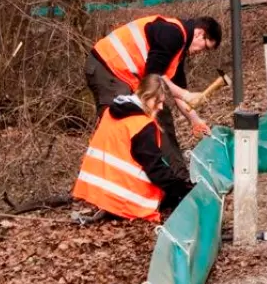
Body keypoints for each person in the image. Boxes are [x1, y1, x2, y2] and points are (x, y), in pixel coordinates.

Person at [85, 15, 221, 169]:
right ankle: (103, 171)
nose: (201, 52)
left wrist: (195, 120)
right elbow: (154, 77)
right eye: (205, 47)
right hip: (107, 66)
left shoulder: (179, 49)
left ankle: (177, 175)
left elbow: (178, 91)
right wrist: (185, 95)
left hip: (124, 75)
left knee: (162, 115)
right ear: (198, 33)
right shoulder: (173, 34)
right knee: (119, 122)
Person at [72, 74, 195, 223]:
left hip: (97, 193)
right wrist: (182, 189)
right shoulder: (141, 124)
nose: (161, 107)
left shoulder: (110, 112)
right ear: (146, 96)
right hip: (125, 198)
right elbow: (155, 168)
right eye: (158, 101)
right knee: (170, 193)